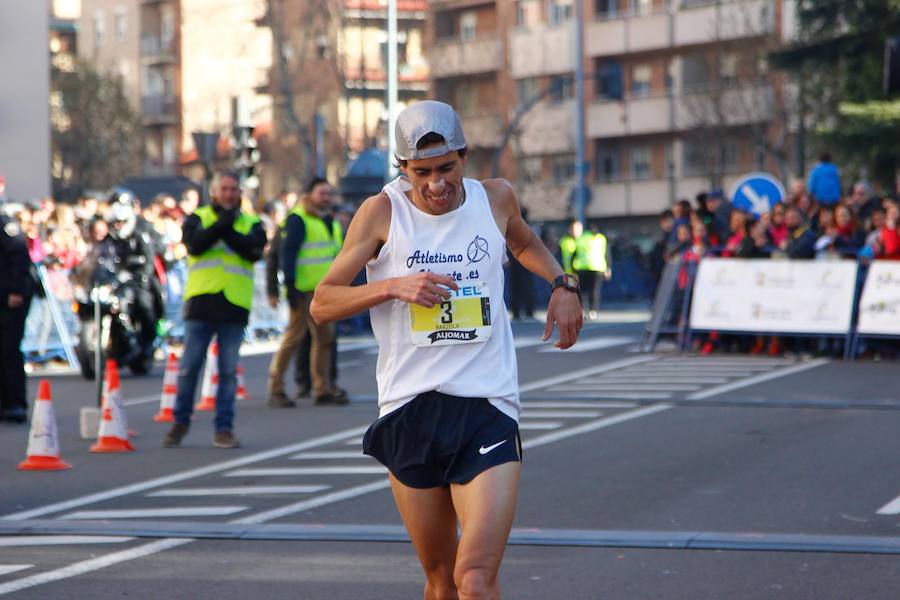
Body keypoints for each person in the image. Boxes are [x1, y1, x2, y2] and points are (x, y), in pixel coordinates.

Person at [309, 100, 583, 600]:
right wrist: (393, 287)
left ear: (464, 156)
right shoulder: (382, 213)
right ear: (403, 169)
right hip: (409, 408)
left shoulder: (495, 199)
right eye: (423, 173)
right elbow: (323, 303)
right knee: (440, 581)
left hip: (486, 407)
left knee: (473, 580)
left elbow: (522, 243)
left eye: (447, 169)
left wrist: (563, 284)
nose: (436, 184)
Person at [163, 170, 267, 449]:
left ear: (240, 193)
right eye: (225, 189)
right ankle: (180, 422)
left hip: (234, 304)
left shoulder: (252, 222)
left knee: (228, 373)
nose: (230, 194)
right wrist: (222, 226)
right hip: (201, 303)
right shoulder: (197, 218)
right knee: (189, 369)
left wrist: (225, 228)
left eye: (234, 189)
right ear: (214, 192)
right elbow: (195, 245)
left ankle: (224, 428)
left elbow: (253, 251)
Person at [266, 177, 347, 408]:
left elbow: (335, 254)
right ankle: (276, 388)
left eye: (329, 193)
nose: (326, 197)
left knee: (324, 340)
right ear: (309, 194)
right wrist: (289, 286)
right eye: (322, 193)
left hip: (324, 291)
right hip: (303, 292)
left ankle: (322, 388)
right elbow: (286, 254)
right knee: (294, 338)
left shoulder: (327, 220)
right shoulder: (298, 220)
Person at [0, 208, 35, 424]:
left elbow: (20, 255)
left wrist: (17, 290)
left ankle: (15, 404)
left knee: (9, 348)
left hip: (11, 298)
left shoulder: (5, 224)